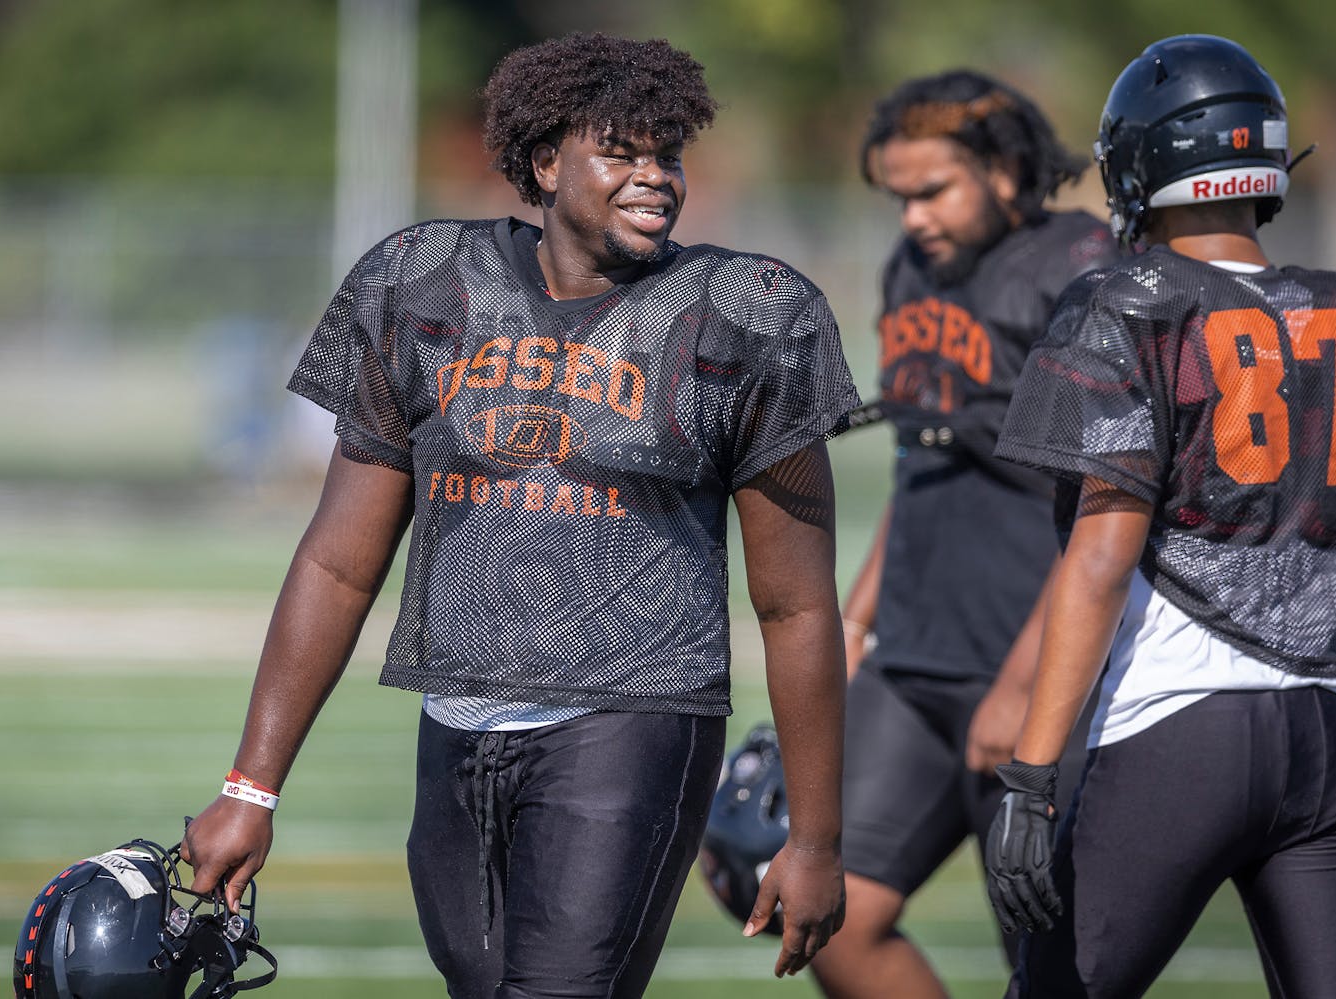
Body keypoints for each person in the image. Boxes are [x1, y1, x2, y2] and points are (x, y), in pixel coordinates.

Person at [180, 31, 857, 998]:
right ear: (544, 162)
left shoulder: (744, 316)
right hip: (457, 719)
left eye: (667, 154)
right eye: (619, 152)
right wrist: (251, 787)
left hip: (635, 714)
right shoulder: (422, 289)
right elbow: (336, 562)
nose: (655, 178)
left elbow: (795, 605)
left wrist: (817, 834)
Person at [984, 34, 1336, 998]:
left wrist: (1031, 776)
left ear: (1140, 166)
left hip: (1180, 723)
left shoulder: (1128, 302)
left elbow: (1102, 558)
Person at [807, 70, 1118, 999]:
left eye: (932, 191)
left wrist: (1022, 685)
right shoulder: (913, 271)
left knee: (1047, 966)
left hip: (1035, 664)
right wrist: (855, 625)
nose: (911, 218)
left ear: (1009, 170)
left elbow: (1111, 501)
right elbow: (921, 454)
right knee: (831, 915)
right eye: (899, 196)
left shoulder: (1084, 271)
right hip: (913, 657)